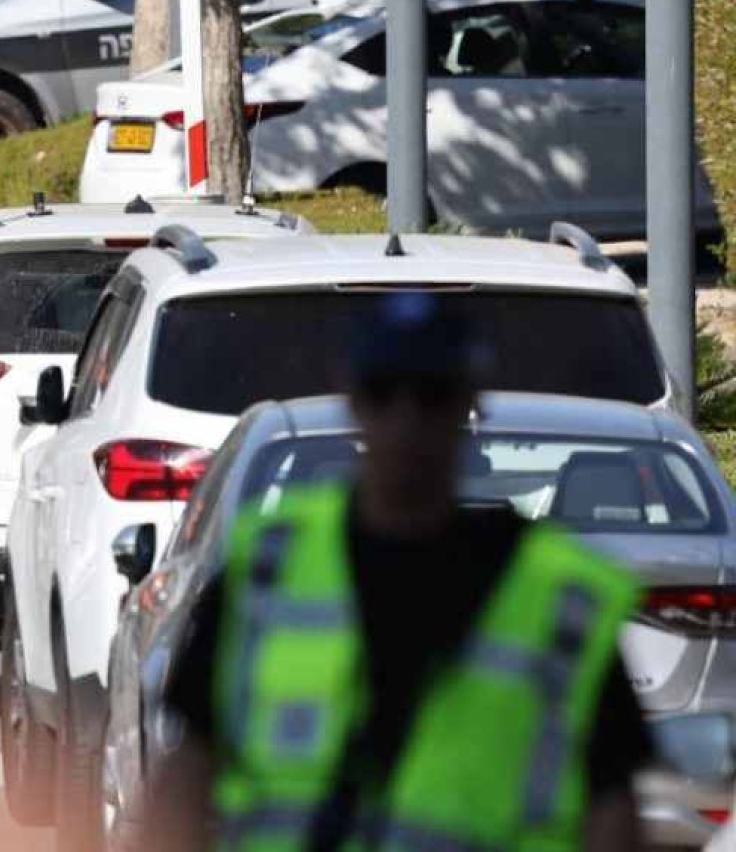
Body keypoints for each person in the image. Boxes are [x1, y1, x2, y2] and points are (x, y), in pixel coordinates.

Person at [147, 291, 650, 852]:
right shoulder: (269, 570)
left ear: (467, 403)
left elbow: (611, 808)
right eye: (383, 391)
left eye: (432, 395)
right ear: (354, 398)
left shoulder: (559, 596)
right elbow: (187, 774)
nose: (406, 420)